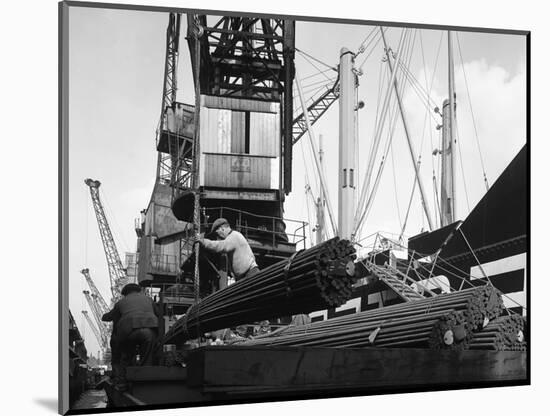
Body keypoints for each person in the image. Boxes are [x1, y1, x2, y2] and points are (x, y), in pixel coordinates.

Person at [102, 283, 159, 388]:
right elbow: (158, 313)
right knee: (147, 355)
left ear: (125, 293)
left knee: (125, 354)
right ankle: (145, 378)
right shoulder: (149, 300)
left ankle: (123, 380)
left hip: (129, 332)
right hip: (149, 332)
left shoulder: (120, 303)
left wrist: (104, 316)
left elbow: (109, 317)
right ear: (139, 290)